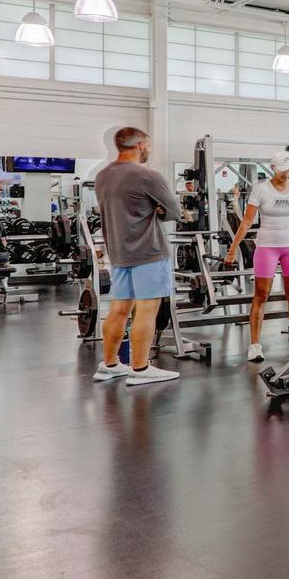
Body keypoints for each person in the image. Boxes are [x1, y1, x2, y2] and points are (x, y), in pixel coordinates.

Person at [92, 127, 181, 385]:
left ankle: (109, 364)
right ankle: (140, 368)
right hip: (149, 252)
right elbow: (174, 212)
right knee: (146, 310)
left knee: (119, 309)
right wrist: (158, 209)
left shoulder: (102, 176)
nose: (149, 150)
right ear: (140, 145)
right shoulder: (147, 176)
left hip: (119, 252)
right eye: (148, 145)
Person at [225, 152, 289, 362]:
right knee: (261, 294)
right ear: (273, 168)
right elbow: (247, 221)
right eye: (283, 170)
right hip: (267, 247)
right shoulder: (261, 189)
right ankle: (255, 345)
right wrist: (233, 249)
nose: (287, 174)